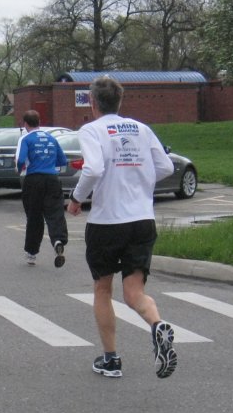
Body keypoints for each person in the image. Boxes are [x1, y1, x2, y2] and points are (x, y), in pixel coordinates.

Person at [66, 76, 177, 380]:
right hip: (142, 220)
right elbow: (166, 167)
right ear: (120, 101)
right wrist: (138, 182)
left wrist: (76, 200)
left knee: (103, 289)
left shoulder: (91, 130)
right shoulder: (141, 129)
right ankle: (157, 325)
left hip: (107, 222)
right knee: (135, 292)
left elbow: (93, 168)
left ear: (92, 102)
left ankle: (111, 360)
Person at [16, 110, 69, 265]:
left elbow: (20, 159)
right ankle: (58, 241)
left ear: (25, 124)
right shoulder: (52, 138)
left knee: (34, 216)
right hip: (52, 179)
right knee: (55, 213)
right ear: (39, 121)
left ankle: (32, 252)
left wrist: (20, 170)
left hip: (33, 179)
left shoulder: (25, 138)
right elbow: (62, 160)